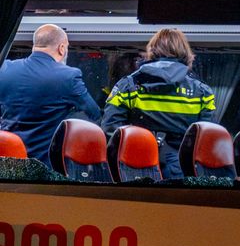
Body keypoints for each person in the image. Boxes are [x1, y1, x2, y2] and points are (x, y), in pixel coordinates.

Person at [102, 28, 216, 179]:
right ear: (185, 53)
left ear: (152, 51)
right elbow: (208, 140)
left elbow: (110, 129)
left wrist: (136, 149)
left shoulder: (127, 86)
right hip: (181, 172)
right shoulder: (202, 93)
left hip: (134, 170)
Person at [0, 24, 101, 167]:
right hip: (45, 166)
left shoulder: (5, 69)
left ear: (35, 45)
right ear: (61, 48)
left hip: (7, 163)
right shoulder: (67, 76)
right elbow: (94, 113)